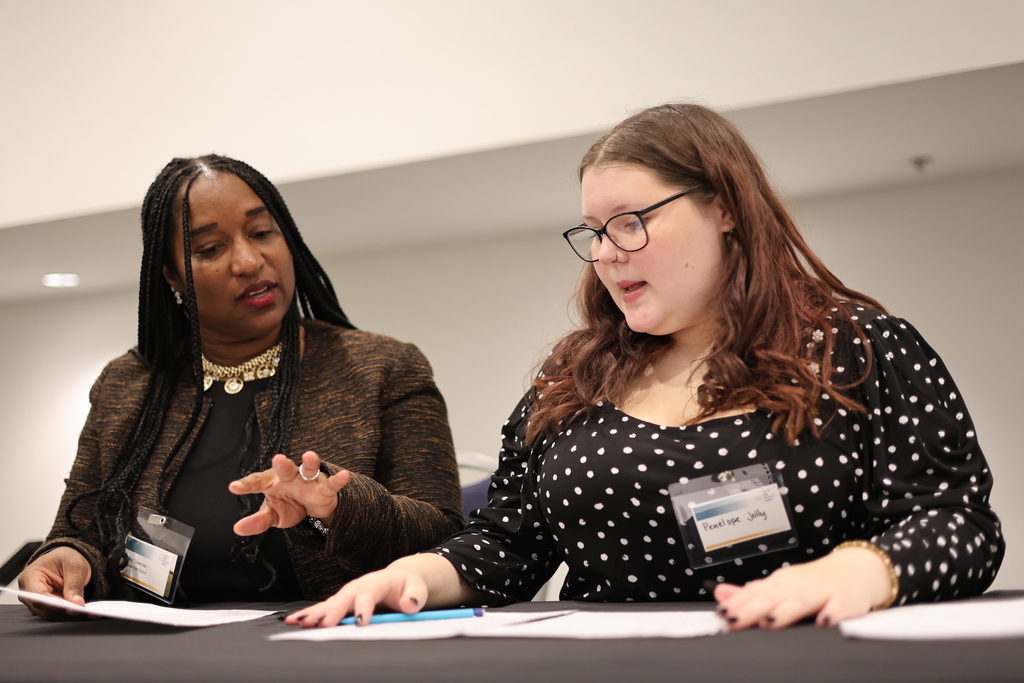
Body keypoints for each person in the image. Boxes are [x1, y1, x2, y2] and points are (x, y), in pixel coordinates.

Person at [288, 104, 1004, 631]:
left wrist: (861, 569)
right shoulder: (568, 380)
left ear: (723, 208)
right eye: (594, 233)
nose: (604, 252)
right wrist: (409, 575)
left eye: (631, 222)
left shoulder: (861, 350)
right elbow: (507, 545)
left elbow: (960, 524)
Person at [19, 155, 464, 617]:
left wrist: (338, 507)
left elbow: (444, 541)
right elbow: (80, 534)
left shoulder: (383, 368)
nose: (249, 261)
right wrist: (68, 560)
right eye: (210, 248)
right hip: (152, 650)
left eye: (261, 232)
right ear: (172, 277)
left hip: (331, 645)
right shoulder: (126, 386)